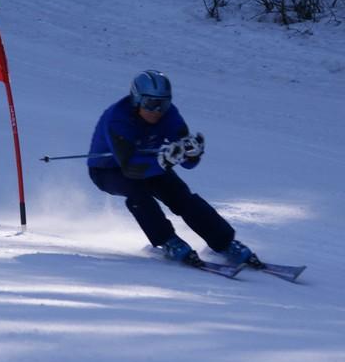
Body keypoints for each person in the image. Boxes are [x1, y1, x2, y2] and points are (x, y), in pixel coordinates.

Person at [88, 69, 256, 266]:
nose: (157, 111)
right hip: (109, 170)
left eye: (163, 104)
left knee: (181, 196)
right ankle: (167, 241)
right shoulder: (117, 118)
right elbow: (130, 168)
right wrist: (163, 161)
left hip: (151, 164)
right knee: (139, 195)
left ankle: (225, 243)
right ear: (137, 100)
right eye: (151, 103)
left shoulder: (170, 115)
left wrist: (192, 153)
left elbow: (189, 163)